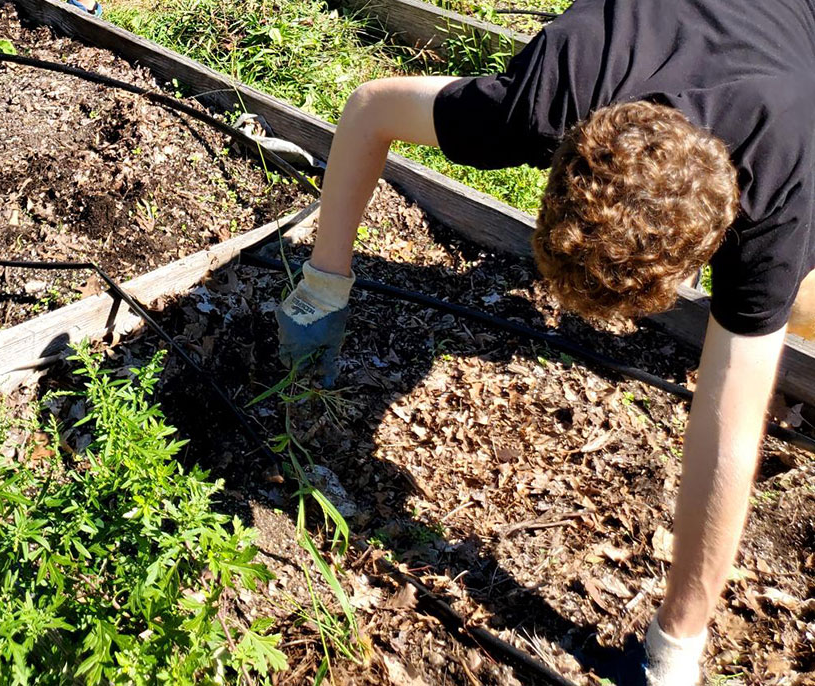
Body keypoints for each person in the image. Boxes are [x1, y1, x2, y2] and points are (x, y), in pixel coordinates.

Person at [276, 0, 815, 683]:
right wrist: (321, 291)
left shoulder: (782, 191)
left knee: (790, 305)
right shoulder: (541, 100)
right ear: (558, 154)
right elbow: (368, 108)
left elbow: (731, 432)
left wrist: (676, 649)